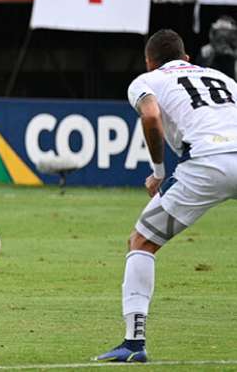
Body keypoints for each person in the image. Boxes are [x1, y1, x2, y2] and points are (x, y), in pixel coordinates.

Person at [95, 29, 237, 362]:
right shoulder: (221, 77)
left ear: (149, 61)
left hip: (206, 164)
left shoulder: (146, 80)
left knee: (141, 241)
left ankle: (133, 344)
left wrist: (159, 173)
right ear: (187, 58)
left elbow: (151, 115)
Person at [195, 15, 237, 80]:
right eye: (220, 31)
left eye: (226, 31)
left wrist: (231, 53)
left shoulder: (234, 48)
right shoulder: (206, 50)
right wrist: (213, 53)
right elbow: (200, 70)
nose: (223, 35)